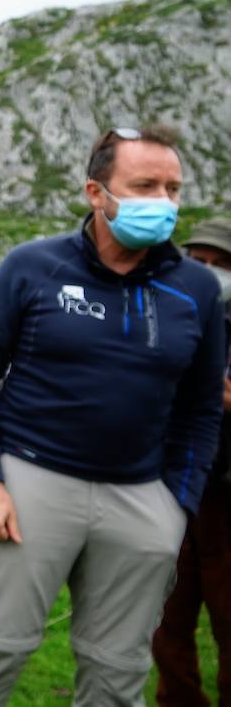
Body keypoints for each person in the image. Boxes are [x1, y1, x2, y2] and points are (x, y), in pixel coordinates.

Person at [0, 127, 226, 706]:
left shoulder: (195, 287)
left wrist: (177, 505)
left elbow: (201, 407)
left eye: (172, 188)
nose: (163, 202)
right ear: (97, 192)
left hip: (143, 497)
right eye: (144, 186)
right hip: (30, 484)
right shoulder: (31, 265)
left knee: (119, 669)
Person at [152, 216, 231, 706]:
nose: (209, 272)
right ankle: (178, 699)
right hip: (172, 488)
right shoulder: (170, 317)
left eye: (222, 264)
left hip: (226, 495)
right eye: (199, 262)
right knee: (163, 611)